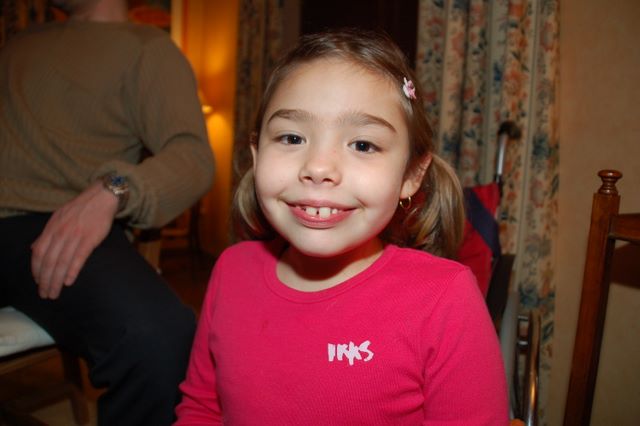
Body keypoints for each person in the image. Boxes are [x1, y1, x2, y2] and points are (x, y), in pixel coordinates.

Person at [175, 29, 507, 425]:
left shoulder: (446, 300)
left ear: (411, 175)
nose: (318, 167)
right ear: (257, 154)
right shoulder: (230, 271)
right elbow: (202, 408)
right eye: (292, 137)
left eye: (363, 145)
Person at [0, 0, 214, 424]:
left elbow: (193, 157)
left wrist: (113, 190)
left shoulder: (147, 48)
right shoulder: (18, 43)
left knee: (158, 340)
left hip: (53, 223)